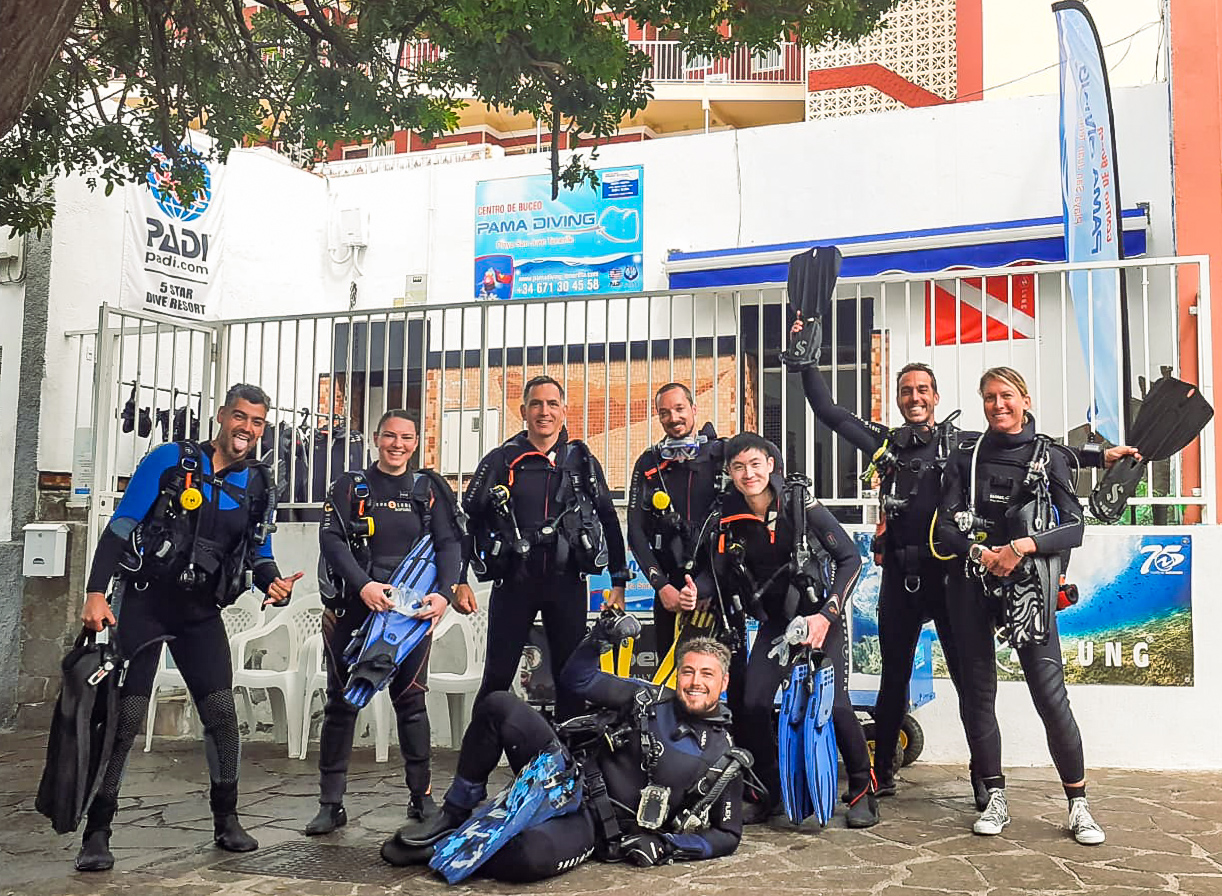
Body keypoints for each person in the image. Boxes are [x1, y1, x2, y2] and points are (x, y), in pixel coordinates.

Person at [789, 318, 1136, 802]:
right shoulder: (885, 444)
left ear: (936, 396)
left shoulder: (966, 445)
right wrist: (805, 358)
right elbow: (828, 411)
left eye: (923, 389)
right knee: (893, 680)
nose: (915, 397)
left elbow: (1039, 449)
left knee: (971, 687)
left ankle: (983, 783)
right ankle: (881, 772)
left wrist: (1101, 458)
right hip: (902, 578)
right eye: (906, 390)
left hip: (952, 578)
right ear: (897, 397)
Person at [76, 383, 303, 871]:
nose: (247, 429)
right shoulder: (170, 460)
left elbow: (258, 552)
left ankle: (226, 820)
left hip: (202, 613)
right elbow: (121, 525)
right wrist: (96, 592)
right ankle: (98, 830)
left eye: (257, 422)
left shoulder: (259, 484)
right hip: (143, 604)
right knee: (125, 719)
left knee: (222, 714)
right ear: (222, 416)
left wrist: (272, 582)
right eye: (240, 417)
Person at [380, 615, 745, 880]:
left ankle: (451, 849)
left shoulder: (723, 757)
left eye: (706, 674)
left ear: (723, 682)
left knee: (529, 858)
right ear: (678, 674)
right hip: (563, 770)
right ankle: (455, 813)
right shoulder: (650, 698)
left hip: (593, 825)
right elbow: (577, 679)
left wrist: (666, 845)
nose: (695, 682)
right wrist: (601, 636)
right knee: (498, 705)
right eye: (688, 672)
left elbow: (727, 835)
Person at [932, 366, 1105, 845]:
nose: (997, 405)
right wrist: (981, 553)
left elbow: (1074, 527)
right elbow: (945, 527)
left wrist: (1021, 547)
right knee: (978, 697)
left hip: (1029, 588)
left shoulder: (1049, 457)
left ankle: (1078, 804)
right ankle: (993, 797)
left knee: (1050, 698)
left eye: (1006, 395)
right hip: (972, 582)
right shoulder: (966, 458)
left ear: (1025, 398)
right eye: (988, 397)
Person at [305, 410, 464, 835]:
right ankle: (330, 803)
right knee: (341, 704)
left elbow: (448, 543)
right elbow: (332, 540)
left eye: (407, 438)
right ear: (376, 438)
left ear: (417, 442)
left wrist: (444, 593)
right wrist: (363, 587)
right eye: (390, 436)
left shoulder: (427, 489)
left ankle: (422, 798)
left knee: (411, 703)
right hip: (353, 610)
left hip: (409, 617)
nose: (398, 444)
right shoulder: (350, 486)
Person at [710, 431, 877, 827]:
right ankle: (769, 792)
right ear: (730, 473)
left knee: (835, 704)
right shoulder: (727, 515)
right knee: (751, 703)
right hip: (777, 625)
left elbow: (850, 558)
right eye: (739, 467)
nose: (748, 473)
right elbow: (714, 575)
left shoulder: (801, 503)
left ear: (771, 464)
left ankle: (861, 790)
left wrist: (826, 616)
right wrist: (689, 590)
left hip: (821, 618)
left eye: (755, 464)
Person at [460, 375, 630, 721]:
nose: (544, 411)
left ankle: (571, 761)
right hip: (514, 582)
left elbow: (609, 519)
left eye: (552, 404)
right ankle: (474, 769)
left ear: (564, 410)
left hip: (566, 582)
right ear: (523, 411)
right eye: (536, 404)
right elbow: (470, 520)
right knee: (497, 676)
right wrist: (459, 579)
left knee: (572, 677)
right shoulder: (500, 460)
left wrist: (619, 583)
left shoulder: (580, 461)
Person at [626, 382, 725, 661]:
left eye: (680, 409)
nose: (673, 418)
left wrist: (708, 587)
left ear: (694, 409)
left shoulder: (721, 454)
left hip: (717, 586)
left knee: (724, 675)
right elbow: (635, 532)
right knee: (671, 674)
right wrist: (662, 588)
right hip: (670, 590)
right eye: (664, 412)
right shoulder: (649, 462)